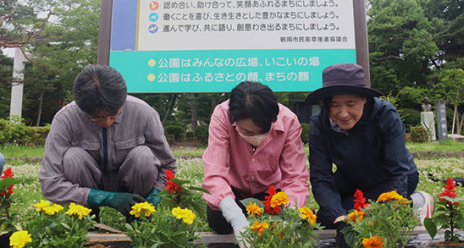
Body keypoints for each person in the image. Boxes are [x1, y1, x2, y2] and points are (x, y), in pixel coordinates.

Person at [305, 63, 434, 248]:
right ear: (326, 104)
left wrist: (391, 204)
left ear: (365, 98)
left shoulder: (385, 115)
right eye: (334, 105)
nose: (343, 114)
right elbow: (321, 176)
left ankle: (414, 203)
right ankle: (401, 206)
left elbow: (397, 170)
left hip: (392, 178)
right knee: (327, 219)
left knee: (362, 218)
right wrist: (338, 216)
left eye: (351, 104)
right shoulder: (319, 124)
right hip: (351, 181)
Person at [39, 65, 177, 220]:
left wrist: (155, 196)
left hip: (133, 183)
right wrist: (104, 197)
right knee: (73, 157)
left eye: (113, 114)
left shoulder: (144, 113)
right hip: (88, 187)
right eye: (97, 117)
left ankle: (140, 217)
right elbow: (50, 182)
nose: (107, 122)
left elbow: (168, 166)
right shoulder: (66, 119)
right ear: (83, 109)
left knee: (143, 156)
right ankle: (87, 220)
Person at [202, 81, 310, 245]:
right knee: (220, 221)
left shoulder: (288, 121)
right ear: (235, 120)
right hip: (233, 189)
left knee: (283, 225)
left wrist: (290, 214)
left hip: (269, 190)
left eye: (263, 131)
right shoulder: (222, 115)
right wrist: (235, 216)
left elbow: (295, 177)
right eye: (247, 131)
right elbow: (215, 173)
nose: (256, 137)